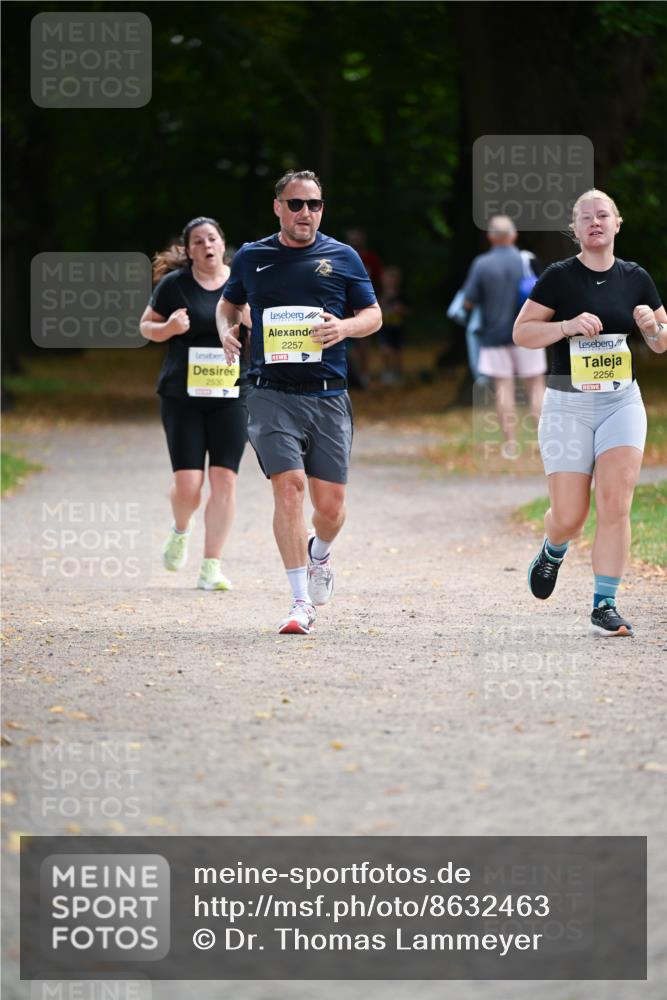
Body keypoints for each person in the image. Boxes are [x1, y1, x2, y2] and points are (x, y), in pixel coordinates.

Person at [216, 170, 382, 634]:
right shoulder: (253, 256)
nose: (304, 213)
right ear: (278, 207)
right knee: (288, 488)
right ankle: (298, 601)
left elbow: (374, 315)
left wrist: (344, 328)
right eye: (295, 204)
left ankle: (320, 555)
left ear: (321, 209)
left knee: (330, 507)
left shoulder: (343, 257)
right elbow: (228, 305)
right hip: (270, 391)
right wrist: (225, 330)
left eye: (313, 205)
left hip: (328, 395)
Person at [513, 189, 666, 636]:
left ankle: (604, 604)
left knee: (616, 503)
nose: (595, 222)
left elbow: (661, 342)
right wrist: (565, 326)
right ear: (575, 229)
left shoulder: (636, 277)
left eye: (603, 215)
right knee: (570, 516)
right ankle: (553, 548)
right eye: (585, 217)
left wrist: (652, 328)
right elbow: (523, 333)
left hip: (621, 402)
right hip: (568, 405)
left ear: (617, 223)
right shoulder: (559, 278)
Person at [139, 217, 249, 591]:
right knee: (189, 485)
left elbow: (266, 331)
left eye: (213, 238)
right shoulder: (175, 285)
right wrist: (168, 328)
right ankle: (180, 529)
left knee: (225, 481)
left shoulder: (242, 282)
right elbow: (145, 327)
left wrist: (249, 323)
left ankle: (211, 566)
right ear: (188, 251)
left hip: (231, 394)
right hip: (182, 396)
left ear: (223, 243)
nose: (207, 246)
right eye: (198, 241)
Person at [463, 216, 547, 454]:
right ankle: (541, 443)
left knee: (504, 389)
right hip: (529, 334)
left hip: (494, 336)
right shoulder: (527, 260)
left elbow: (468, 302)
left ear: (490, 237)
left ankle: (511, 445)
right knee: (535, 387)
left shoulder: (481, 264)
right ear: (513, 235)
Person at [378, 266, 410, 385]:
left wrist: (401, 310)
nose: (390, 282)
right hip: (385, 327)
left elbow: (408, 310)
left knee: (397, 352)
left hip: (398, 328)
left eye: (393, 279)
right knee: (385, 350)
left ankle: (398, 373)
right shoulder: (380, 296)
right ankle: (387, 372)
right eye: (388, 279)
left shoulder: (401, 296)